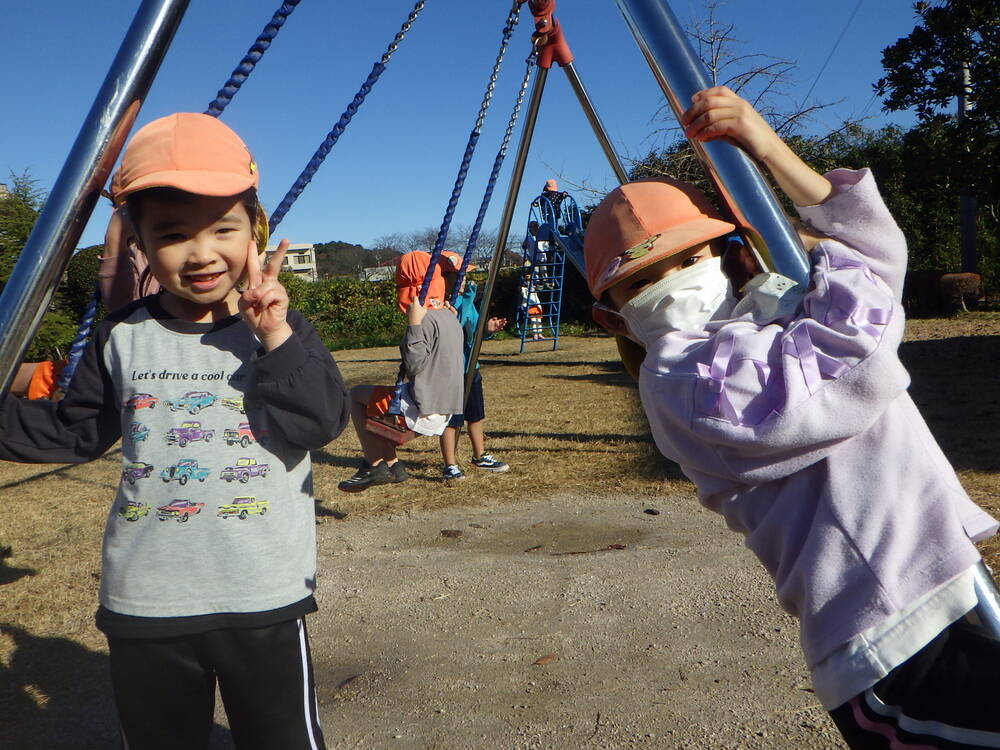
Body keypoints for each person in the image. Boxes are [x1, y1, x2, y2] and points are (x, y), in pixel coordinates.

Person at [584, 86, 1000, 749]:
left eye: (691, 257)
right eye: (642, 282)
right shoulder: (678, 385)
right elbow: (849, 357)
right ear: (615, 314)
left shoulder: (771, 316)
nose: (677, 282)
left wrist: (768, 148)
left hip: (945, 594)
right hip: (886, 645)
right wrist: (818, 261)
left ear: (726, 255)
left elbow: (878, 258)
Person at [0, 112, 350, 749]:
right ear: (139, 240)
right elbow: (73, 434)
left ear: (254, 231)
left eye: (223, 229)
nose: (201, 253)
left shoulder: (280, 331)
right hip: (148, 597)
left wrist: (274, 335)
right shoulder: (121, 334)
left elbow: (320, 422)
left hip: (263, 592)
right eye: (172, 234)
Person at [338, 250, 465, 492]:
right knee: (374, 401)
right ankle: (394, 465)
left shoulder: (423, 319)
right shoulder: (449, 316)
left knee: (354, 396)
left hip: (424, 407)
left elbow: (416, 365)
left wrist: (414, 325)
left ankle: (373, 464)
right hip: (446, 405)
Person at [435, 251, 509, 480]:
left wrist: (487, 330)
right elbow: (448, 334)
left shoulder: (468, 300)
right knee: (451, 419)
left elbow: (473, 333)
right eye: (457, 276)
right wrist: (457, 308)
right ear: (443, 279)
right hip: (450, 373)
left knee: (475, 415)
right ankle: (450, 464)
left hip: (470, 369)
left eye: (465, 276)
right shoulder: (440, 306)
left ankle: (480, 455)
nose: (464, 281)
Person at [519, 265, 545, 340]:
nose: (529, 282)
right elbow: (524, 296)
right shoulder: (524, 289)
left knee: (539, 319)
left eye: (530, 280)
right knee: (533, 320)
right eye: (527, 280)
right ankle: (535, 334)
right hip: (530, 305)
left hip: (536, 304)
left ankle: (539, 333)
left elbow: (537, 290)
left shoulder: (533, 287)